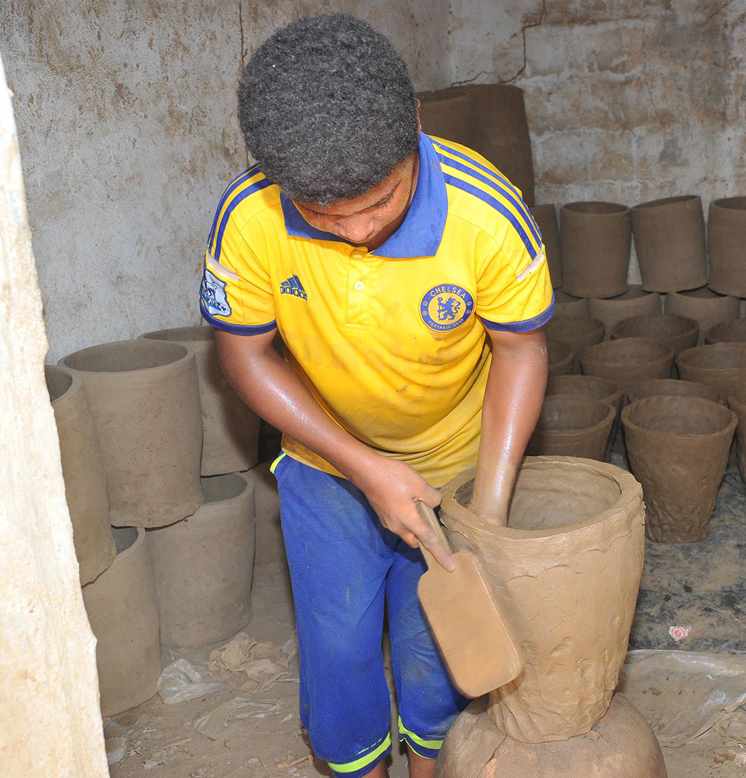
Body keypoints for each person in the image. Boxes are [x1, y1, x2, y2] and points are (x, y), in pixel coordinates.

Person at [199, 14, 552, 778]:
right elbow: (246, 357)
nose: (358, 229)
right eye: (326, 216)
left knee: (437, 642)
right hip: (327, 466)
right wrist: (363, 466)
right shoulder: (250, 218)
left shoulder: (488, 217)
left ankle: (427, 764)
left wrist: (485, 505)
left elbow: (522, 350)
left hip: (452, 465)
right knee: (338, 641)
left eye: (382, 201)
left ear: (414, 130)